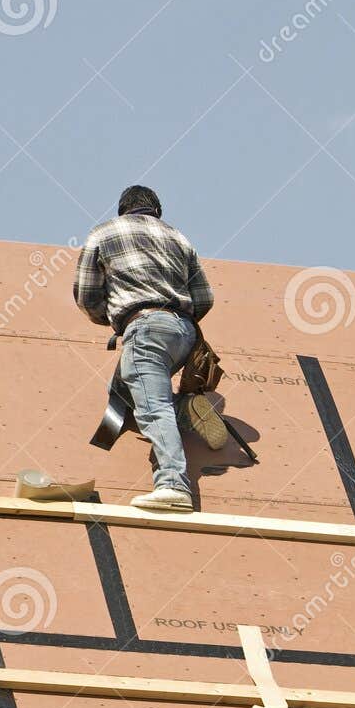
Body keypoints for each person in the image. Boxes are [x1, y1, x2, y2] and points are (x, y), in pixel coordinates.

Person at [73, 185, 227, 511]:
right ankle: (185, 412)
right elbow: (205, 298)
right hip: (184, 333)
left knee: (153, 407)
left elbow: (86, 296)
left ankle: (173, 486)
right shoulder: (178, 238)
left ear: (122, 210)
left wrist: (116, 318)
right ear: (157, 210)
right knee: (123, 392)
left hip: (143, 328)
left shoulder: (104, 232)